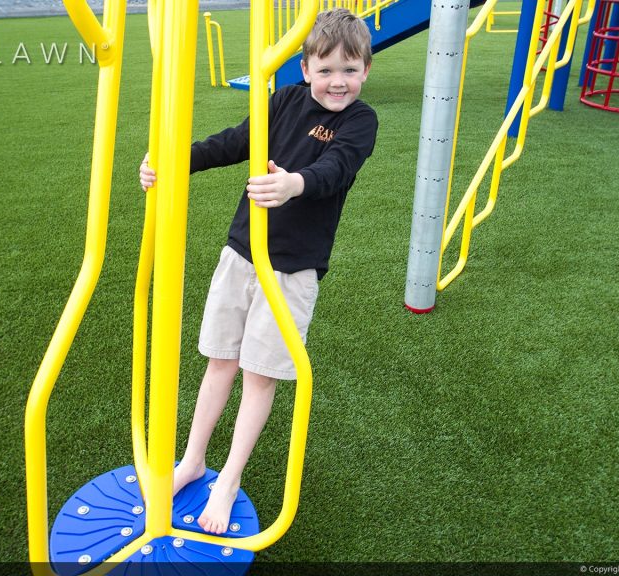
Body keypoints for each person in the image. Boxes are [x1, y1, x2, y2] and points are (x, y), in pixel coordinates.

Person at [138, 8, 378, 535]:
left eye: (350, 70)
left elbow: (335, 169)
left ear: (365, 69)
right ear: (306, 67)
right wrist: (175, 160)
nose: (338, 81)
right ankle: (193, 461)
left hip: (292, 270)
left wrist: (293, 184)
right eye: (326, 69)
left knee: (260, 374)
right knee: (220, 361)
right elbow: (234, 142)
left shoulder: (360, 121)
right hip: (242, 253)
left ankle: (228, 479)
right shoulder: (285, 100)